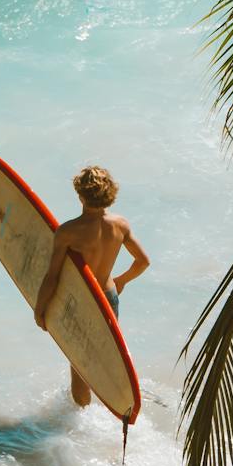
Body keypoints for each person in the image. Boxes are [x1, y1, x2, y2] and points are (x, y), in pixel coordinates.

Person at [32, 165, 149, 407]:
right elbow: (142, 262)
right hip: (108, 296)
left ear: (80, 195)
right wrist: (120, 281)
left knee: (79, 362)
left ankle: (81, 417)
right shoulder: (121, 225)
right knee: (101, 355)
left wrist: (40, 310)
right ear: (110, 194)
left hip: (81, 299)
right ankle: (113, 402)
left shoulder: (68, 232)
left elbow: (52, 277)